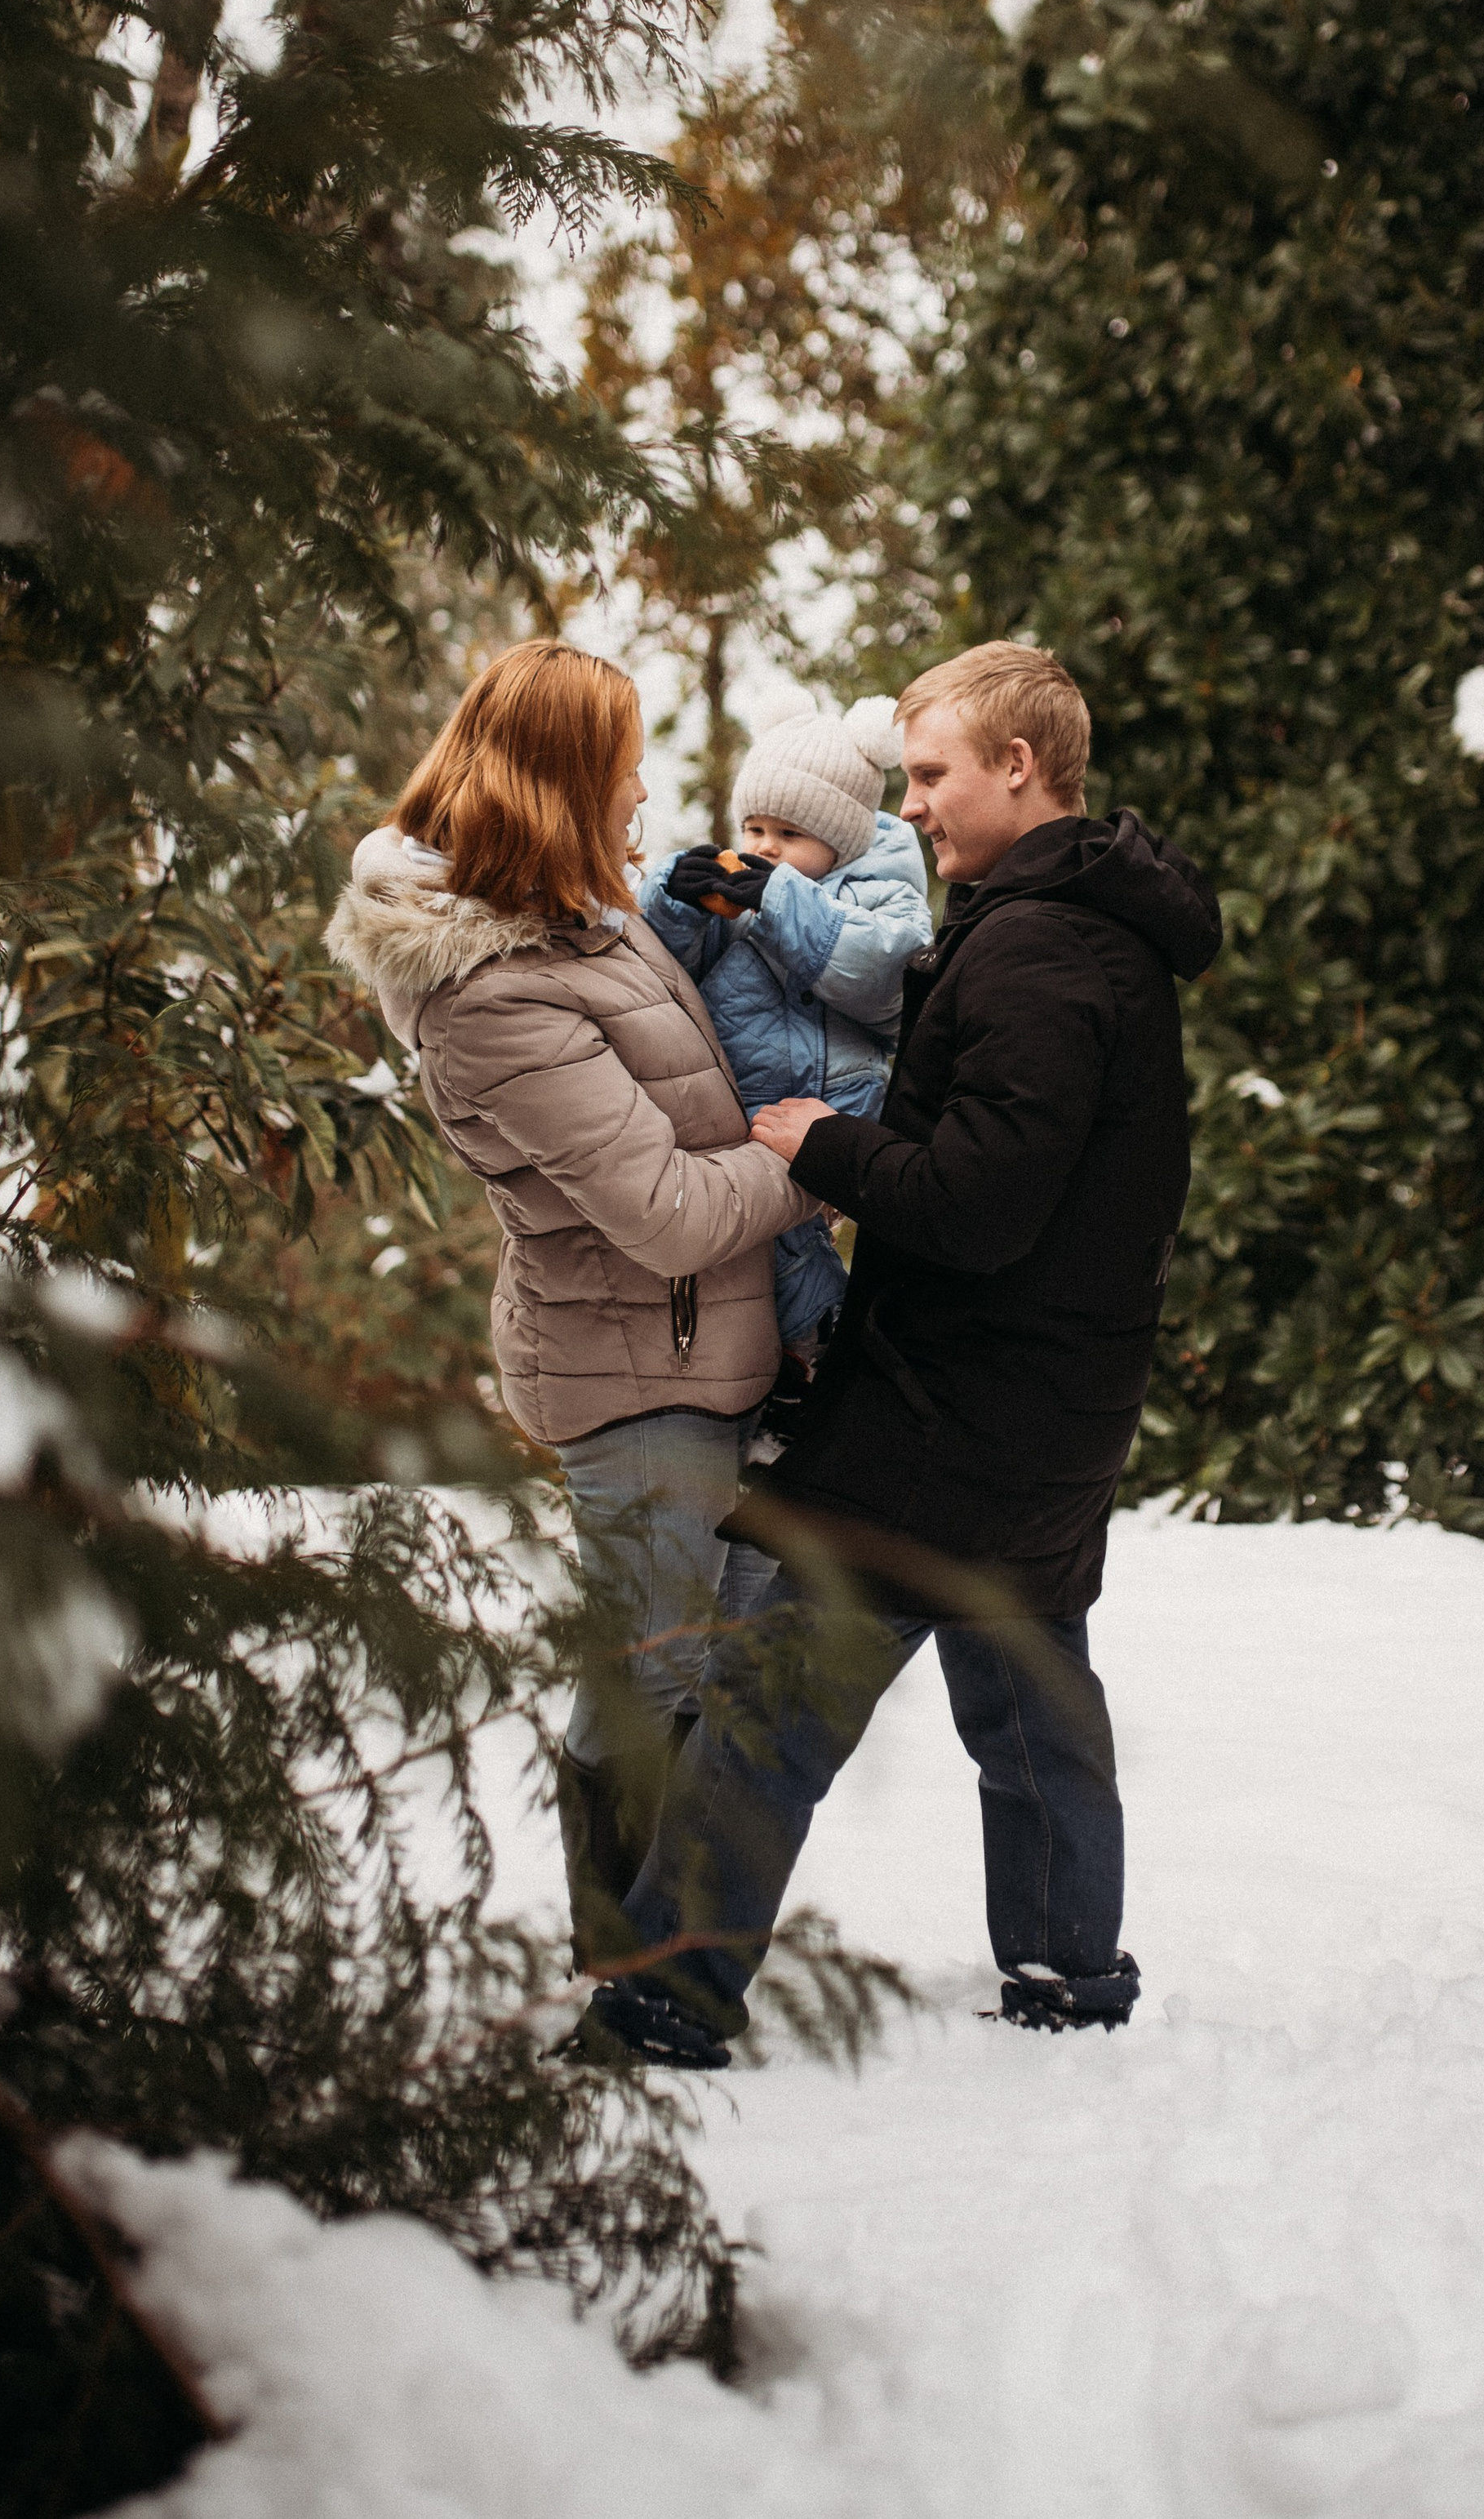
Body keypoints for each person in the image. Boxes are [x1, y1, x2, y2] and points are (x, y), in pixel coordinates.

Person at [586, 642, 1221, 2067]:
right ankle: (1067, 1969)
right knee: (1026, 1683)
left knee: (771, 1694)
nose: (912, 807)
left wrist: (826, 1142)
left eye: (931, 776)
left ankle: (662, 1997)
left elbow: (984, 1198)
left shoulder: (1045, 948)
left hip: (955, 1406)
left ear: (1019, 767)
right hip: (1053, 1401)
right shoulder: (1073, 924)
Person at [324, 638, 811, 1961]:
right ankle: (625, 1953)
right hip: (634, 1369)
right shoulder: (487, 993)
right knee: (650, 1666)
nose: (643, 792)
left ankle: (678, 1941)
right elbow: (659, 1211)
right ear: (562, 783)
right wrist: (807, 1159)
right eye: (624, 767)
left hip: (708, 1349)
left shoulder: (581, 921)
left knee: (707, 1664)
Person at [636, 688, 933, 1449]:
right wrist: (678, 899)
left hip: (830, 1105)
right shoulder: (749, 884)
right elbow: (666, 969)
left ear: (840, 837)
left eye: (790, 833)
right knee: (749, 1246)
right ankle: (793, 1379)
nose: (765, 846)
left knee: (788, 1238)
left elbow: (880, 973)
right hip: (745, 1108)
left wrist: (781, 899)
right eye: (754, 828)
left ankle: (828, 1348)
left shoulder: (879, 891)